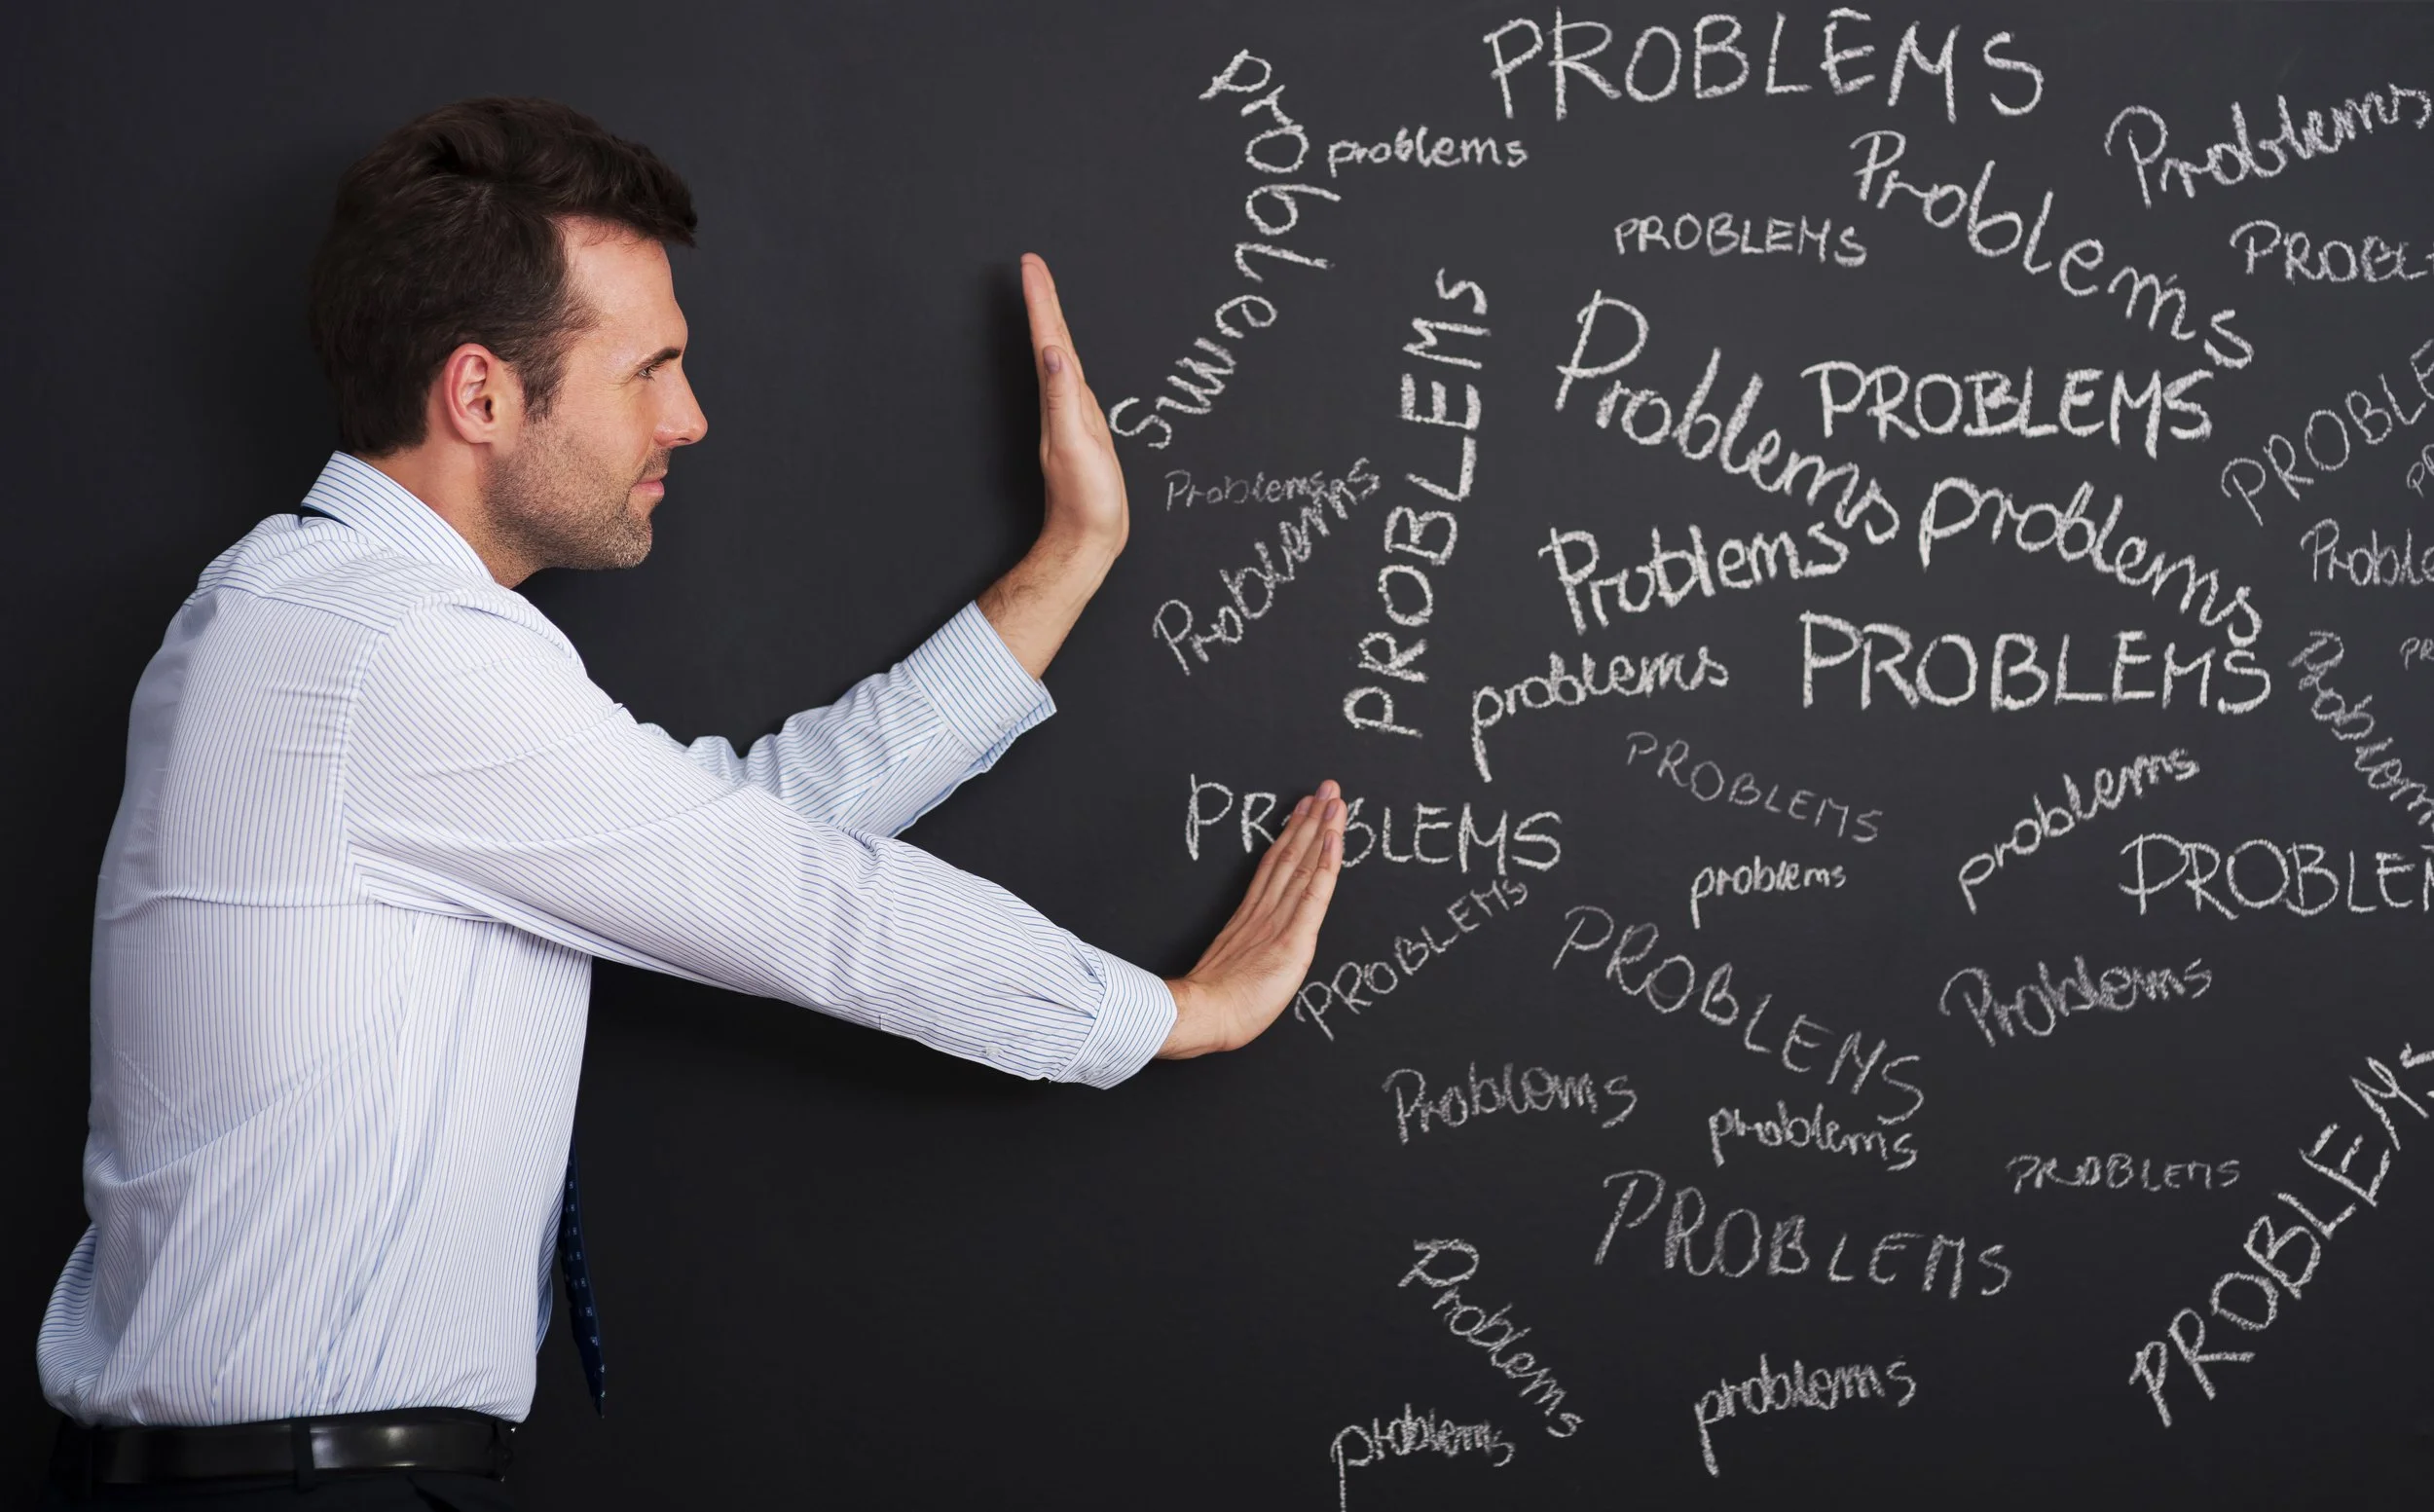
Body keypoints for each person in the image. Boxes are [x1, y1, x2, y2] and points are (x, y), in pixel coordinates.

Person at [37, 96, 1346, 1508]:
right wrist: (1175, 1014)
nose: (691, 416)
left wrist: (1070, 561)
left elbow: (731, 827)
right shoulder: (389, 651)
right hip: (298, 1491)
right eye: (649, 369)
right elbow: (798, 903)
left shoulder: (321, 620)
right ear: (481, 396)